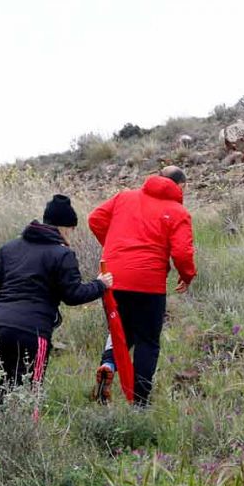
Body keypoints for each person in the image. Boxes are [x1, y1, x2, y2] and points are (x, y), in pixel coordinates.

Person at [0, 195, 112, 396]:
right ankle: (26, 427)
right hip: (32, 334)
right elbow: (73, 295)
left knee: (3, 393)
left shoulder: (9, 248)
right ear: (65, 227)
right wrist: (100, 285)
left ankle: (0, 427)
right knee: (30, 395)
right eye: (72, 229)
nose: (71, 234)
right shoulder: (62, 254)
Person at [89, 165, 197, 405]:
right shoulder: (178, 211)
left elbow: (95, 219)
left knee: (120, 331)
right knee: (147, 341)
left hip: (112, 279)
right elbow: (181, 252)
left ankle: (108, 365)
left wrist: (115, 249)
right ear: (180, 186)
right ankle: (139, 402)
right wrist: (187, 275)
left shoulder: (124, 197)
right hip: (149, 284)